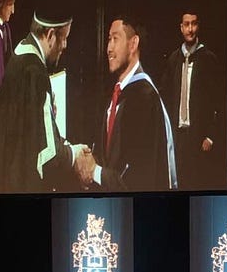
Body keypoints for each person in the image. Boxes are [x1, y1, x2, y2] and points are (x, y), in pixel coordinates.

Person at [0, 0, 90, 194]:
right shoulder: (35, 72)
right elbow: (47, 154)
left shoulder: (20, 54)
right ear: (51, 35)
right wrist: (74, 153)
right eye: (64, 38)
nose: (65, 45)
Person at [75, 14, 177, 192]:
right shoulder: (116, 94)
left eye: (115, 39)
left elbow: (138, 177)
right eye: (109, 40)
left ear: (133, 44)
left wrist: (94, 171)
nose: (109, 48)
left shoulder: (145, 98)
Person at [159, 9, 223, 191]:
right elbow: (164, 97)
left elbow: (218, 100)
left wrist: (211, 136)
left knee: (197, 184)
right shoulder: (173, 59)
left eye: (194, 24)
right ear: (181, 28)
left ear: (198, 26)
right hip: (178, 136)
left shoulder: (208, 59)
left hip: (199, 137)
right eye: (186, 24)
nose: (190, 29)